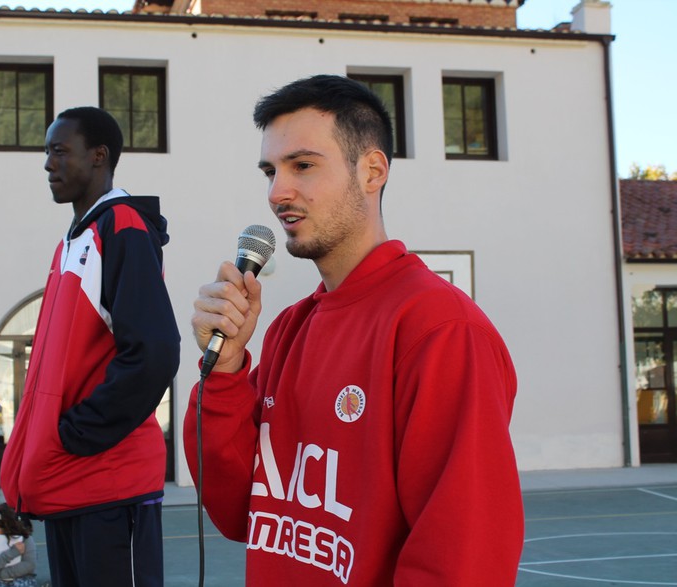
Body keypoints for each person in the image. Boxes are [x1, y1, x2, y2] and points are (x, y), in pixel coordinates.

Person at [183, 74, 524, 585]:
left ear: (372, 171)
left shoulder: (440, 329)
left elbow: (462, 558)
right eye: (269, 171)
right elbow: (237, 510)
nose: (278, 192)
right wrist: (227, 369)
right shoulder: (286, 330)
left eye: (302, 165)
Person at [0, 106, 181, 587]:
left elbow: (155, 351)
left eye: (59, 151)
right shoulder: (73, 241)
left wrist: (75, 433)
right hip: (68, 485)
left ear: (99, 156)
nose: (47, 164)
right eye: (46, 152)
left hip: (107, 483)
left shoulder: (121, 227)